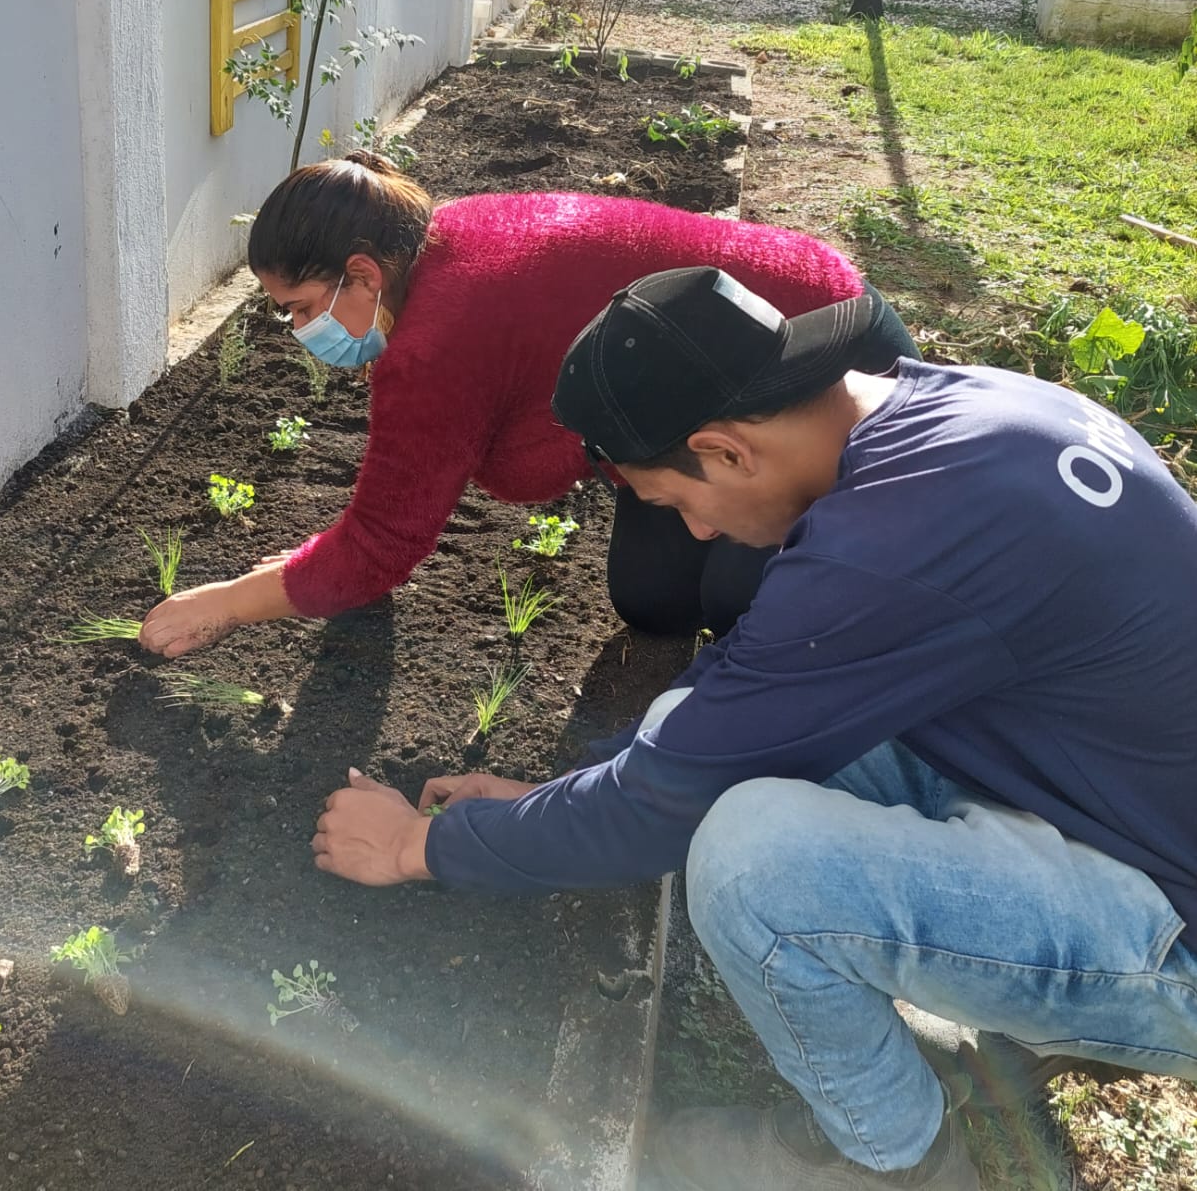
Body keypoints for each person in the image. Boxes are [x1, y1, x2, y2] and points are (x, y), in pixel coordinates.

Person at [309, 267, 1197, 1191]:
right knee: (711, 740)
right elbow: (739, 705)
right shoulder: (957, 416)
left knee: (753, 860)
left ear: (725, 452)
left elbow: (666, 802)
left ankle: (892, 1160)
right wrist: (550, 799)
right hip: (1118, 806)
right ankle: (1003, 1047)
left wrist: (419, 845)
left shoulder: (884, 548)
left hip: (1175, 928)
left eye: (671, 502)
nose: (691, 531)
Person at [138, 154, 915, 658]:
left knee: (746, 606)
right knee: (655, 603)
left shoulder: (437, 341)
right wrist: (310, 565)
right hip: (684, 390)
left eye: (303, 305)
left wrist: (227, 605)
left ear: (364, 274)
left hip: (811, 353)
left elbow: (381, 545)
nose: (300, 329)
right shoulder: (437, 244)